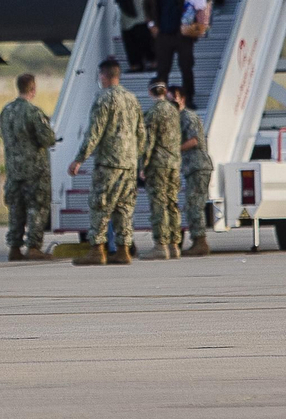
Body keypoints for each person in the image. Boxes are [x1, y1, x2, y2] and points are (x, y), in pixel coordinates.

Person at [68, 58, 144, 266]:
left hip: (109, 163)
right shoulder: (132, 99)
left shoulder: (103, 99)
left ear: (103, 76)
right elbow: (141, 133)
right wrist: (138, 160)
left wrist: (79, 159)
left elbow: (94, 132)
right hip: (129, 164)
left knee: (100, 205)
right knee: (124, 208)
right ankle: (123, 250)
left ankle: (97, 250)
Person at [0, 73, 57, 262]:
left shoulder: (6, 111)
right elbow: (48, 139)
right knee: (36, 208)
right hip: (34, 170)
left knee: (16, 209)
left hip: (13, 169)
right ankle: (33, 246)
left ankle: (14, 247)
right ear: (33, 89)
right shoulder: (33, 112)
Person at [149, 0, 211, 107]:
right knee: (162, 69)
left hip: (183, 32)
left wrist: (196, 15)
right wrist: (151, 24)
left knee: (186, 67)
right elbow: (147, 5)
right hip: (163, 32)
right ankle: (161, 102)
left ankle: (188, 98)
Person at [138, 79, 182, 260]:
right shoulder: (174, 111)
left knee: (159, 204)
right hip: (174, 163)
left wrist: (143, 165)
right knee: (172, 203)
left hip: (158, 165)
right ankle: (174, 245)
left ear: (150, 92)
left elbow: (148, 142)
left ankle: (160, 245)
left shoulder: (152, 113)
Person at [173, 85, 213, 257]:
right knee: (192, 204)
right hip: (192, 168)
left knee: (195, 204)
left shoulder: (188, 117)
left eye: (173, 98)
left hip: (198, 166)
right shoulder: (178, 118)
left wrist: (175, 149)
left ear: (182, 99)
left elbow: (195, 140)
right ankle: (198, 240)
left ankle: (200, 242)